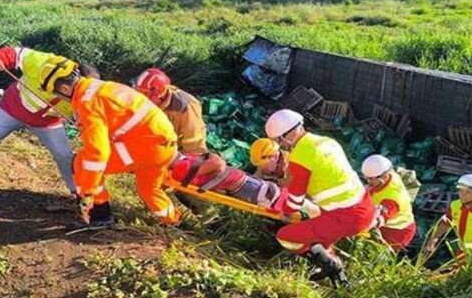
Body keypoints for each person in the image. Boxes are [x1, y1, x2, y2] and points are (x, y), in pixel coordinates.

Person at [39, 56, 180, 226]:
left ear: (64, 88)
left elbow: (98, 152)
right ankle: (173, 222)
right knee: (148, 190)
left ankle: (101, 216)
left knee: (82, 162)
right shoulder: (102, 87)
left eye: (56, 93)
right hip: (164, 145)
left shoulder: (86, 102)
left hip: (146, 148)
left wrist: (88, 190)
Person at [265, 109, 375, 285]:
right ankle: (338, 277)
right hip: (364, 206)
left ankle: (333, 265)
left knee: (285, 235)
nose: (280, 145)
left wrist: (284, 214)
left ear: (286, 135)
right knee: (322, 242)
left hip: (345, 216)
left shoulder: (300, 156)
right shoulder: (326, 142)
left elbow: (295, 200)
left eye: (278, 141)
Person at [0, 46, 85, 193]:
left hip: (47, 124)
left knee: (65, 156)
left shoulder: (84, 93)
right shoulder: (42, 61)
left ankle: (81, 194)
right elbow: (12, 53)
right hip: (9, 109)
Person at [170, 152, 284, 209]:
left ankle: (284, 201)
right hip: (241, 186)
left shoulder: (184, 158)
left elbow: (212, 158)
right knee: (267, 195)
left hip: (237, 181)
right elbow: (218, 163)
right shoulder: (181, 167)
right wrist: (210, 159)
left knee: (269, 192)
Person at [132, 68, 207, 154]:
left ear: (159, 94)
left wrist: (189, 163)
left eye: (145, 94)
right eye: (138, 91)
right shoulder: (142, 101)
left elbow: (194, 142)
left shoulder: (185, 107)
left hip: (177, 150)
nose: (140, 97)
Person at [362, 155, 416, 251]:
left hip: (397, 233)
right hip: (388, 227)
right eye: (367, 178)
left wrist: (358, 228)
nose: (368, 181)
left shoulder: (392, 198)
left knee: (379, 255)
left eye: (371, 179)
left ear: (384, 175)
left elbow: (379, 219)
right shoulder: (389, 174)